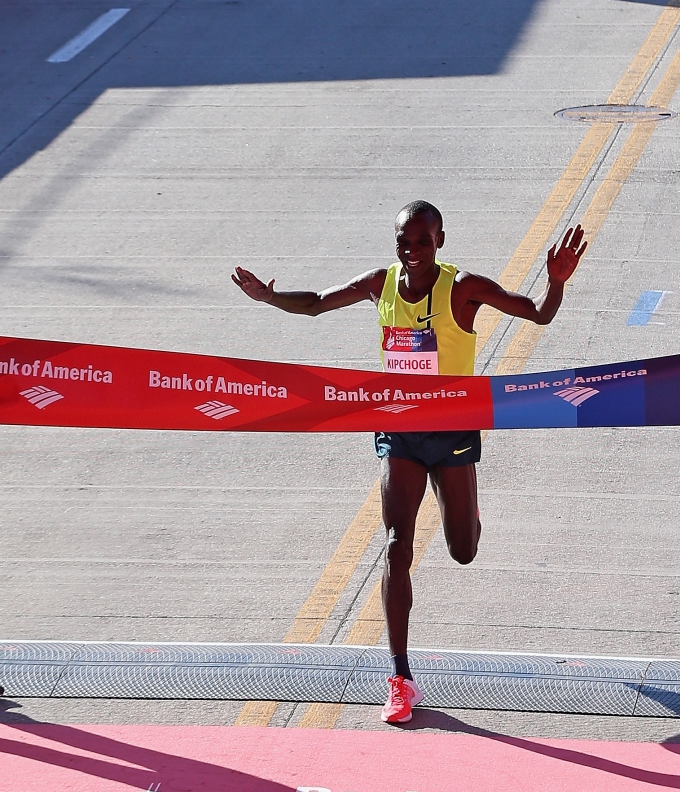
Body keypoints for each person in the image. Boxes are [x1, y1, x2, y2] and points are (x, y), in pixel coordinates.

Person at [232, 200, 585, 725]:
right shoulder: (381, 283)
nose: (411, 250)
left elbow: (536, 312)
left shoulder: (462, 287)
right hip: (398, 431)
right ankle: (399, 676)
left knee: (462, 550)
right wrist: (268, 297)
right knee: (396, 545)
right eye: (403, 240)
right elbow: (316, 303)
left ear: (440, 240)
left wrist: (555, 282)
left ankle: (464, 509)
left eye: (422, 241)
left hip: (454, 433)